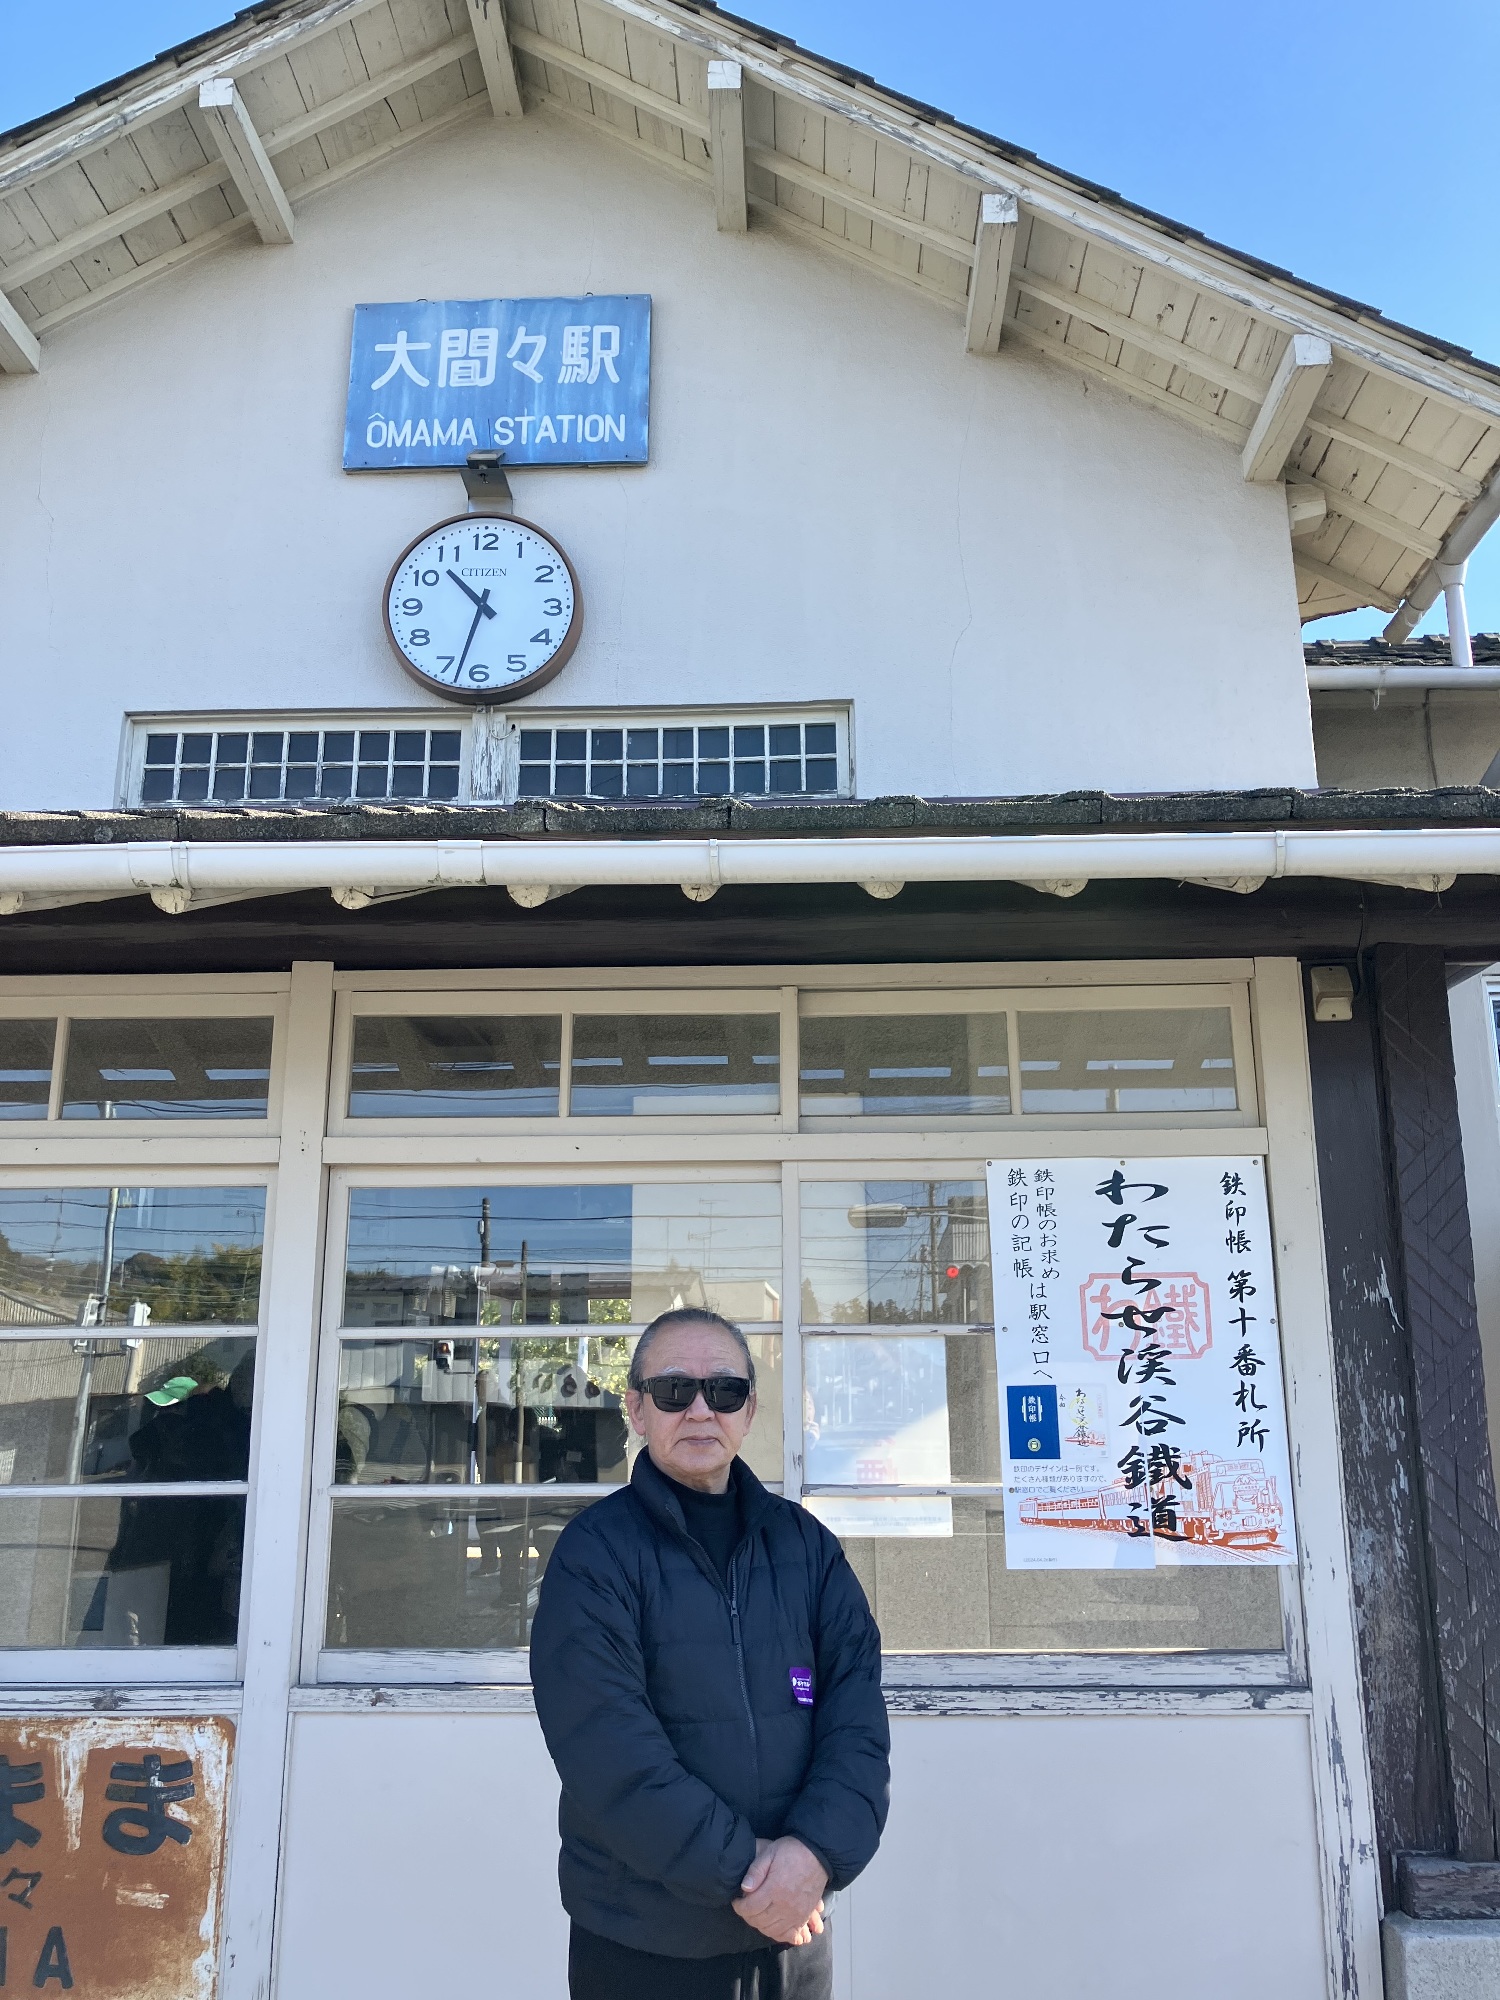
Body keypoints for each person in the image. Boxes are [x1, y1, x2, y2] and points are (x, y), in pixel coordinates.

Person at [530, 1307, 890, 2000]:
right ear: (635, 1408)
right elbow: (609, 1751)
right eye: (673, 1391)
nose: (700, 1410)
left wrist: (814, 1856)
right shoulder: (595, 1556)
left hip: (791, 1939)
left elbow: (858, 1726)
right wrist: (750, 1875)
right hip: (643, 1941)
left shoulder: (807, 1550)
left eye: (723, 1391)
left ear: (748, 1410)